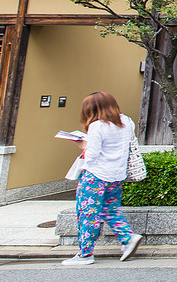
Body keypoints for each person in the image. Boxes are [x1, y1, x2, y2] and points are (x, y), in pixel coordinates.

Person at [63, 92, 143, 266]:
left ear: (91, 109)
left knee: (88, 214)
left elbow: (91, 156)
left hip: (95, 176)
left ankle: (85, 254)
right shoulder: (127, 122)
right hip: (117, 176)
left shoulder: (97, 126)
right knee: (110, 209)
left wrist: (83, 144)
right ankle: (128, 237)